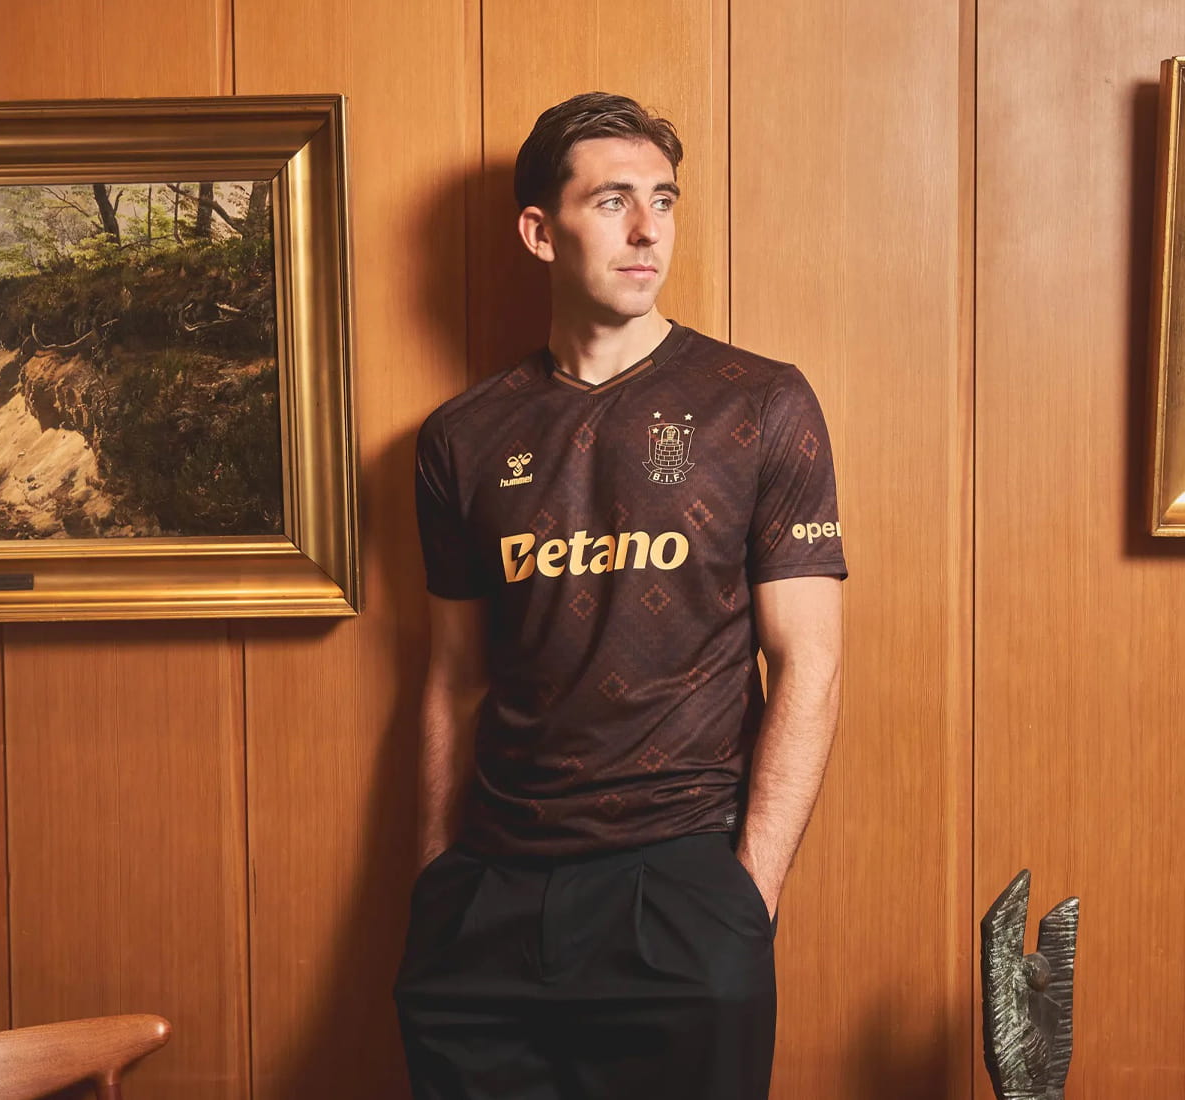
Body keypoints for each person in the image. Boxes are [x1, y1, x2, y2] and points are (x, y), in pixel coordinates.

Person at [394, 90, 846, 1100]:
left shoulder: (761, 403)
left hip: (680, 885)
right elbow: (452, 678)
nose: (648, 230)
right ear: (538, 232)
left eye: (663, 200)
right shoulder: (461, 436)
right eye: (612, 202)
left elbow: (809, 663)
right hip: (489, 899)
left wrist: (747, 898)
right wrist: (436, 883)